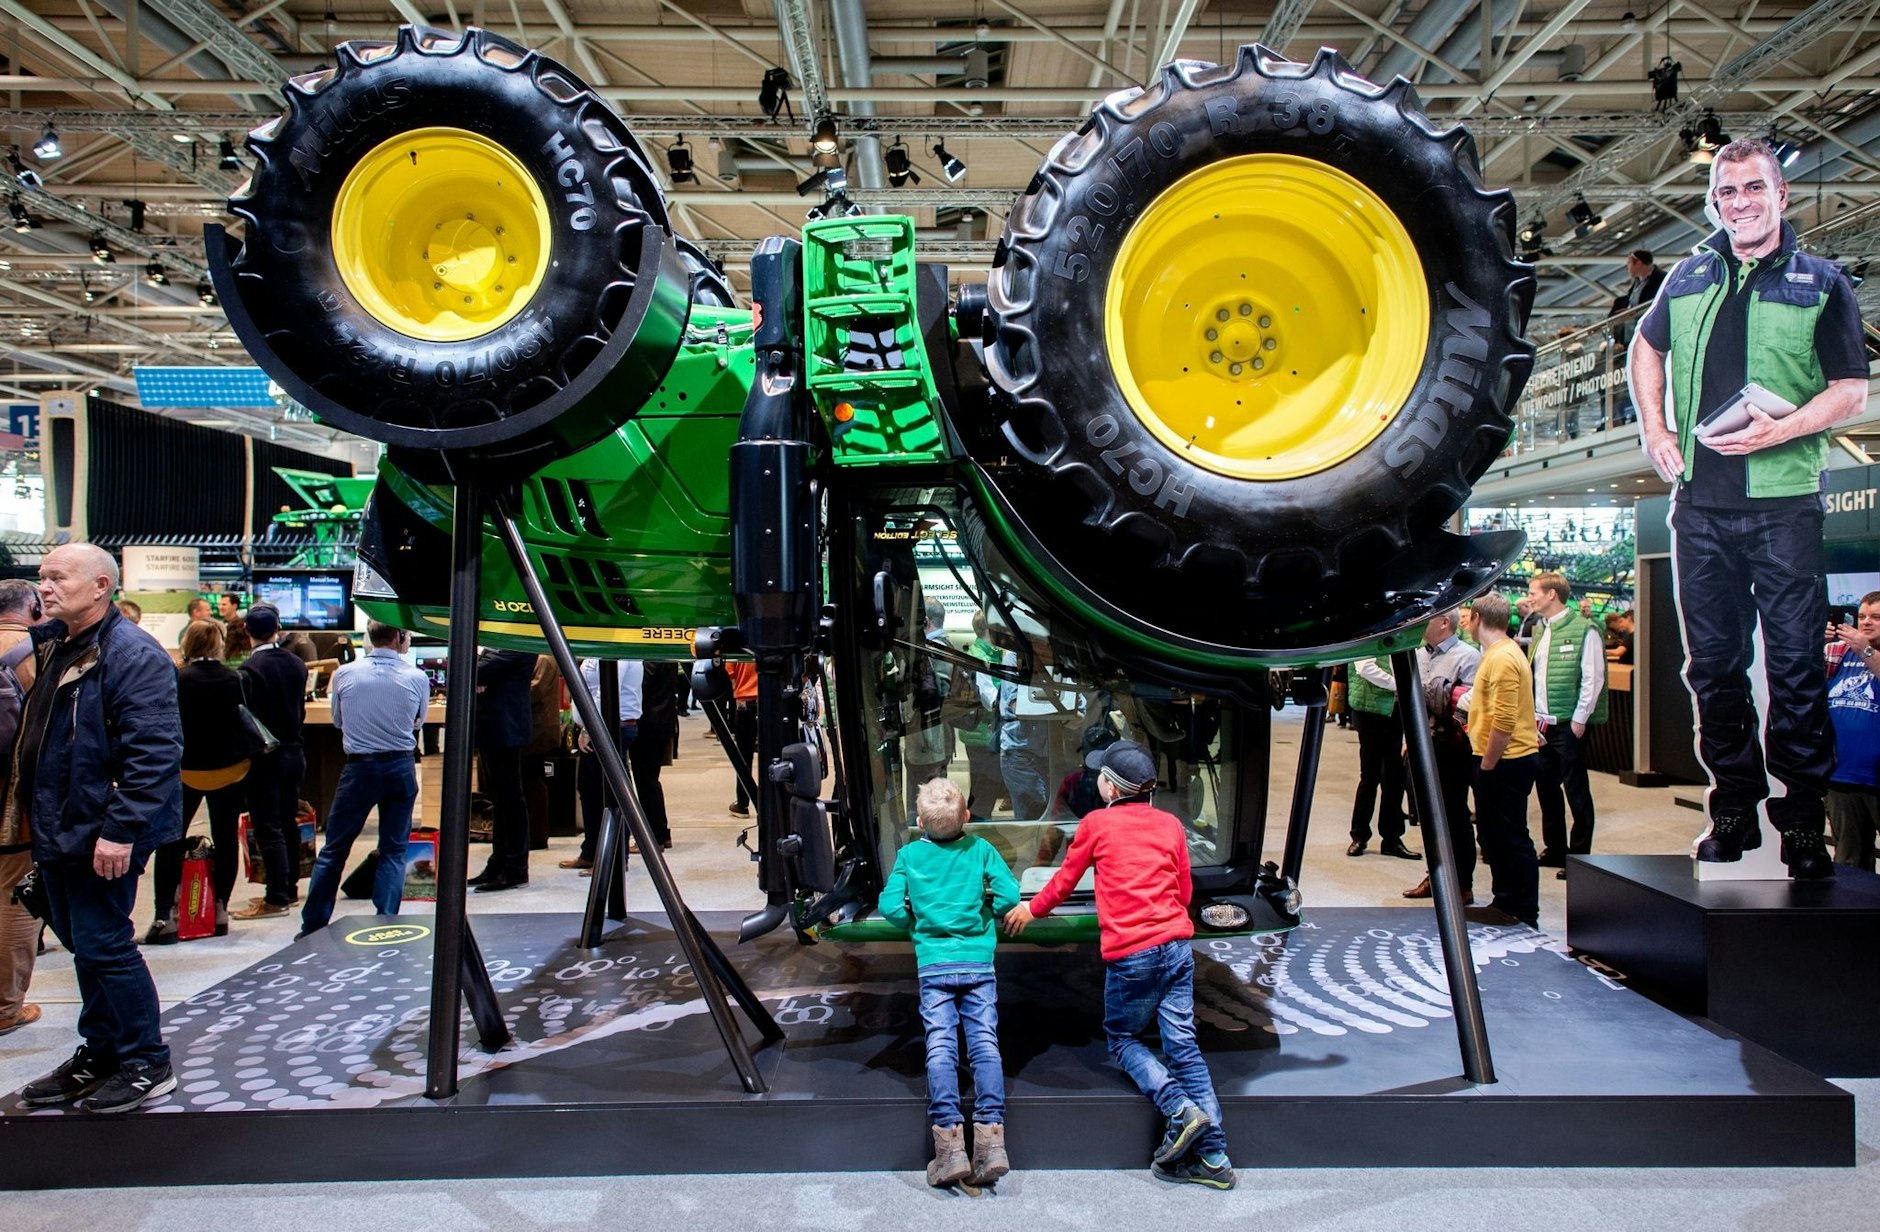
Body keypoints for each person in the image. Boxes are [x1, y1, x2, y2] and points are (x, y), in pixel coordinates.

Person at [1630, 138, 1867, 879]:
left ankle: (1801, 821)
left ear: (1781, 195)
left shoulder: (1821, 281)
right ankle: (1732, 805)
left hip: (1784, 506)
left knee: (1796, 668)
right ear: (1716, 202)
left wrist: (1785, 426)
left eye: (1753, 189)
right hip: (1699, 507)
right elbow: (1645, 347)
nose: (1739, 202)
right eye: (1727, 192)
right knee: (1712, 668)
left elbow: (1851, 388)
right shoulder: (1690, 275)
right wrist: (1657, 429)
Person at [1006, 740, 1234, 1190]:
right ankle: (1214, 1157)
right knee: (1183, 1046)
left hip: (1133, 953)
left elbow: (1064, 881)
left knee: (1124, 1038)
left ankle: (1179, 1109)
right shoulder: (1170, 825)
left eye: (1101, 776)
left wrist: (1031, 910)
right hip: (1176, 946)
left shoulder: (1094, 824)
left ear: (1110, 788)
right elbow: (1184, 893)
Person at [14, 544, 183, 1114]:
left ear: (101, 587)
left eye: (58, 577)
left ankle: (145, 1061)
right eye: (42, 577)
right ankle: (104, 1050)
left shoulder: (131, 654)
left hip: (102, 829)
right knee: (83, 945)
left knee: (106, 945)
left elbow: (155, 752)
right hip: (60, 825)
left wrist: (122, 829)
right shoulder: (61, 645)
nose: (46, 586)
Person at [878, 778, 1020, 1189]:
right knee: (984, 1043)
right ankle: (992, 1142)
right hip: (978, 963)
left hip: (934, 967)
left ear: (920, 820)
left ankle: (950, 1150)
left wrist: (916, 924)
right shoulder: (981, 849)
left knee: (941, 1045)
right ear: (967, 818)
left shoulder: (909, 855)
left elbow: (890, 907)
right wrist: (988, 912)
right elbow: (1010, 895)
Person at [299, 622, 428, 937]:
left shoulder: (345, 674)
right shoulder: (417, 677)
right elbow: (418, 722)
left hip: (360, 767)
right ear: (399, 637)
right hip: (400, 767)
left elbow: (337, 720)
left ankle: (313, 924)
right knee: (394, 849)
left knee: (335, 848)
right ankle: (386, 920)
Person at [146, 620, 252, 944]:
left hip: (185, 770)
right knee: (226, 838)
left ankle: (165, 916)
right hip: (230, 769)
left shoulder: (178, 678)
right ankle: (219, 910)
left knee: (170, 839)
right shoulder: (235, 678)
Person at [1465, 592, 1541, 927]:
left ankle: (1522, 909)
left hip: (1505, 761)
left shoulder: (1502, 658)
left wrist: (1488, 765)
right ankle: (1505, 900)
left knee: (1510, 836)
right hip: (1500, 758)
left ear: (1478, 619)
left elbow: (1505, 721)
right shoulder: (1500, 654)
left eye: (1468, 617)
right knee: (1497, 835)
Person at [1525, 572, 1607, 876]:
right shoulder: (1540, 630)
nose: (1529, 597)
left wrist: (1579, 719)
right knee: (1546, 788)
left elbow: (1593, 678)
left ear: (1551, 595)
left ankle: (1580, 857)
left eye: (1533, 592)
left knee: (1576, 791)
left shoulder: (1585, 630)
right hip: (1541, 726)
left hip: (1569, 726)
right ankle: (1556, 848)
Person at [1401, 609, 1483, 904]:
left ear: (1444, 623)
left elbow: (1470, 710)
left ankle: (1462, 884)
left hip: (1452, 749)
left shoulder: (1468, 657)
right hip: (1420, 745)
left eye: (1426, 620)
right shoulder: (1419, 655)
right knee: (1429, 816)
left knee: (1454, 815)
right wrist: (1407, 738)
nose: (1419, 624)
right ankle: (1435, 877)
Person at [233, 605, 307, 919]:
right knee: (289, 820)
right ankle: (289, 887)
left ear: (247, 631)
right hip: (296, 752)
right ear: (277, 628)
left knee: (268, 825)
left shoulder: (251, 669)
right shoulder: (296, 664)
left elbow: (247, 718)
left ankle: (275, 896)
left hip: (267, 757)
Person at [0, 579, 43, 1034]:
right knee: (15, 898)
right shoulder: (34, 653)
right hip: (14, 806)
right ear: (33, 608)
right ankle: (6, 1007)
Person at [561, 658, 642, 872]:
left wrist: (589, 728)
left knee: (610, 796)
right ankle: (591, 852)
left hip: (611, 729)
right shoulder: (597, 652)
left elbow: (608, 691)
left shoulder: (620, 653)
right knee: (589, 792)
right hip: (598, 728)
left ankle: (613, 859)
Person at [470, 647, 537, 892]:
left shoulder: (516, 642)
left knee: (510, 800)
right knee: (500, 800)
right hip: (495, 729)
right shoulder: (499, 646)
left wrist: (480, 676)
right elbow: (479, 669)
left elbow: (474, 669)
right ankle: (498, 863)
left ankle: (515, 868)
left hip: (506, 729)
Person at [1825, 594, 1880, 871]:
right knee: (1849, 864)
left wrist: (1867, 651)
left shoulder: (1863, 650)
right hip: (1842, 775)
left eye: (1876, 618)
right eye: (1862, 617)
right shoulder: (1839, 653)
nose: (1867, 623)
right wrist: (1815, 642)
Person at [1344, 655, 1417, 860]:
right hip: (1370, 712)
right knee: (1370, 776)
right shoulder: (1369, 634)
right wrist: (1397, 684)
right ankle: (1359, 835)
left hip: (1394, 710)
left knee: (1394, 777)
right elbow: (1365, 668)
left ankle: (1392, 839)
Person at [903, 599, 956, 806]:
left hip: (927, 740)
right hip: (943, 736)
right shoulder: (948, 646)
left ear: (925, 621)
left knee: (925, 803)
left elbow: (930, 695)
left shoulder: (929, 651)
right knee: (939, 797)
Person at [958, 612, 1005, 819]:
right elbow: (990, 699)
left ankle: (975, 823)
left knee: (982, 785)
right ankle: (978, 827)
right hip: (982, 732)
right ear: (989, 629)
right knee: (985, 787)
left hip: (984, 731)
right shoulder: (979, 656)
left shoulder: (989, 654)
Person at [631, 660, 679, 851]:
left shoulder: (650, 660)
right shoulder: (665, 656)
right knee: (649, 780)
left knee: (646, 781)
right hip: (661, 720)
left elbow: (642, 683)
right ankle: (661, 833)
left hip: (648, 723)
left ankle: (653, 837)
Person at [725, 659, 759, 817]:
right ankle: (769, 802)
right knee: (771, 757)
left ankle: (743, 803)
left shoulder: (737, 647)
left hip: (745, 703)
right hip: (768, 703)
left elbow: (729, 673)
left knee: (744, 758)